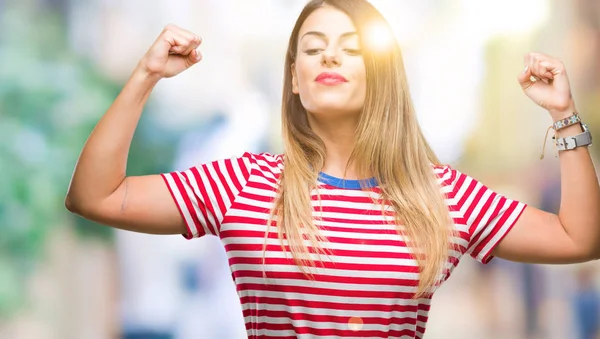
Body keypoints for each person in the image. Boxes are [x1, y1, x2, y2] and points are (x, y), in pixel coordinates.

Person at [65, 0, 600, 338]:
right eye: (313, 49)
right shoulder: (243, 183)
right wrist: (145, 74)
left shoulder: (439, 195)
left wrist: (563, 115)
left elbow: (579, 238)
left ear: (381, 73)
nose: (329, 58)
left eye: (350, 48)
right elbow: (96, 196)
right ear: (294, 78)